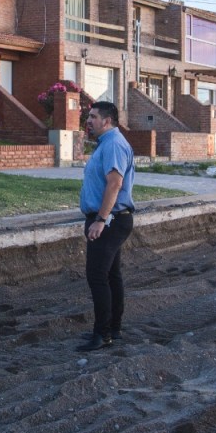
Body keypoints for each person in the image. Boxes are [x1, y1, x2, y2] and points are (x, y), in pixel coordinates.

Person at [77, 101, 136, 352]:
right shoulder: (108, 143)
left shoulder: (113, 144)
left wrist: (100, 220)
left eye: (93, 117)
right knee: (111, 275)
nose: (88, 121)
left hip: (110, 220)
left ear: (107, 121)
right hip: (112, 218)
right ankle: (113, 329)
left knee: (97, 276)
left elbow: (115, 184)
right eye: (89, 116)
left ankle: (102, 334)